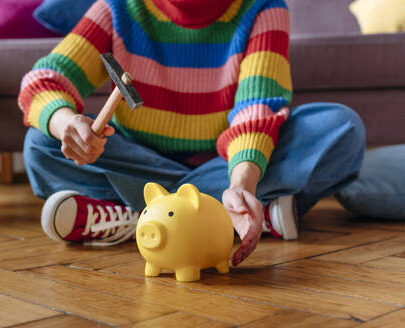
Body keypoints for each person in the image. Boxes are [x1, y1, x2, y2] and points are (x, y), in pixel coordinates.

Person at [19, 0, 365, 265]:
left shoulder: (264, 7)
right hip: (139, 165)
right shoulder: (117, 8)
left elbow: (255, 109)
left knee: (340, 129)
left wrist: (241, 185)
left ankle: (142, 217)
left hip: (224, 166)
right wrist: (67, 124)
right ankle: (220, 218)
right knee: (41, 142)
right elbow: (45, 80)